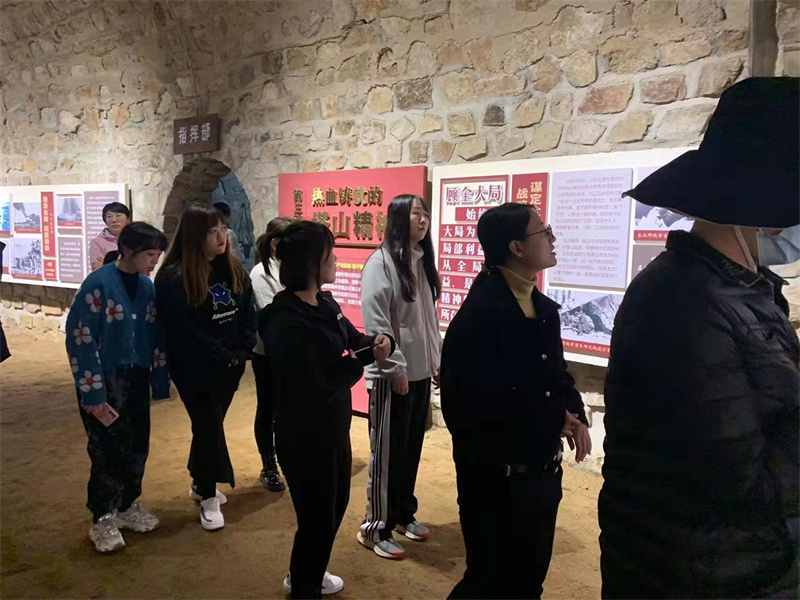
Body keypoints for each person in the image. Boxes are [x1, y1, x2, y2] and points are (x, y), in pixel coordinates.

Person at [599, 77, 800, 599]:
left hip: (744, 568)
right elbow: (732, 479)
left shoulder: (744, 288)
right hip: (701, 577)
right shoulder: (682, 300)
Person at [441, 202, 591, 600]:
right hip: (498, 484)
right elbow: (473, 404)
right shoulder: (480, 315)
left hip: (540, 475)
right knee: (489, 583)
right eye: (543, 231)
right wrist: (552, 418)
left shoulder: (540, 308)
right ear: (517, 247)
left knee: (527, 583)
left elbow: (555, 374)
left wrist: (573, 412)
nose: (552, 238)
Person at [259, 221, 394, 599]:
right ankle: (304, 586)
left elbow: (353, 340)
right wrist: (361, 359)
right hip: (303, 435)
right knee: (316, 519)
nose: (335, 259)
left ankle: (307, 572)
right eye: (328, 254)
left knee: (334, 507)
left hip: (333, 427)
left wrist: (377, 342)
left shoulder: (325, 303)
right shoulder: (283, 320)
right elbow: (320, 380)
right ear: (309, 263)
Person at [65, 222, 170, 553]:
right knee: (106, 448)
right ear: (127, 250)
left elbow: (155, 333)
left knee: (137, 443)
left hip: (137, 377)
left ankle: (127, 505)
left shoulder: (147, 286)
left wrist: (159, 378)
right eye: (150, 254)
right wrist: (93, 392)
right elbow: (80, 339)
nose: (154, 261)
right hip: (104, 380)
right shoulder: (97, 284)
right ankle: (102, 516)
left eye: (157, 254)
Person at [154, 202, 255, 532]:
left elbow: (247, 312)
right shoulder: (173, 277)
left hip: (231, 366)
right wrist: (222, 353)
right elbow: (182, 329)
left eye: (223, 229)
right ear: (195, 235)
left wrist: (242, 349)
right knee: (209, 425)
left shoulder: (233, 269)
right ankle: (209, 496)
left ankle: (200, 483)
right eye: (213, 231)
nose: (221, 237)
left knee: (208, 426)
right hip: (194, 369)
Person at [357, 194, 442, 559]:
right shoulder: (381, 263)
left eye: (425, 214)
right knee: (387, 455)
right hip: (394, 376)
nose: (422, 220)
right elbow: (378, 323)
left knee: (410, 451)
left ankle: (404, 513)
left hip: (420, 374)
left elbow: (427, 321)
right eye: (415, 213)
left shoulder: (421, 262)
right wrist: (395, 369)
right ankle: (376, 527)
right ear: (397, 219)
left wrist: (436, 362)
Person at [250, 216, 293, 491]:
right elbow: (273, 318)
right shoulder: (260, 273)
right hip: (268, 354)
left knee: (289, 411)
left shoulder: (294, 267)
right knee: (268, 409)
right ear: (276, 244)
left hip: (295, 354)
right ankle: (269, 465)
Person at [89, 202, 131, 271]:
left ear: (128, 219)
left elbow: (142, 265)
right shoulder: (97, 242)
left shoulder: (136, 239)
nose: (114, 220)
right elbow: (98, 270)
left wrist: (106, 263)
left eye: (118, 215)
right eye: (109, 216)